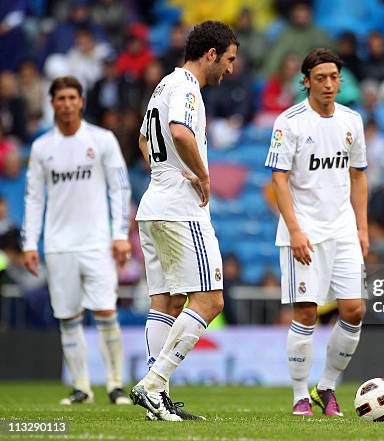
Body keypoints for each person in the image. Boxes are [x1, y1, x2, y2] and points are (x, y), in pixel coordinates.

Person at [129, 21, 238, 422]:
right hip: (180, 209)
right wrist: (201, 175)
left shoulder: (163, 86)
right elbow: (180, 132)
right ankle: (153, 384)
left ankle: (158, 402)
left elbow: (144, 139)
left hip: (154, 204)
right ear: (211, 54)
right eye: (228, 59)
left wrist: (162, 172)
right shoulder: (187, 88)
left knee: (166, 302)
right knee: (210, 300)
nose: (230, 69)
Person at [265, 48, 368, 417]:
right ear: (305, 81)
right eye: (320, 78)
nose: (328, 84)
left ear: (341, 81)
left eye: (333, 77)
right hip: (303, 230)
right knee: (307, 313)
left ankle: (327, 387)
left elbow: (358, 174)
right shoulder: (288, 122)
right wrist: (294, 230)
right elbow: (278, 178)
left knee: (354, 310)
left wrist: (362, 228)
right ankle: (298, 394)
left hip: (342, 230)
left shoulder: (352, 120)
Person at [21, 76, 132, 405]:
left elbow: (120, 188)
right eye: (60, 98)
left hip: (97, 242)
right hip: (58, 244)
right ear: (52, 103)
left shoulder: (102, 140)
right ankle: (82, 387)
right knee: (68, 317)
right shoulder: (42, 148)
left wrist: (120, 235)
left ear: (81, 101)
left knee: (105, 311)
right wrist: (30, 243)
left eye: (72, 97)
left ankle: (115, 385)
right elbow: (33, 198)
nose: (67, 104)